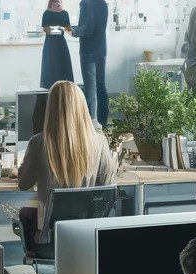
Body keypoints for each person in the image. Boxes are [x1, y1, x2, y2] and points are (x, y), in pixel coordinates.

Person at [15, 79, 120, 244]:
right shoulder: (100, 142)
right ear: (82, 108)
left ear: (51, 109)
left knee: (25, 213)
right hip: (88, 236)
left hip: (49, 237)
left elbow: (23, 184)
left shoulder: (39, 143)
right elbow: (108, 184)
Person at [71, 0, 110, 125]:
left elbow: (87, 29)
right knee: (101, 87)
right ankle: (103, 124)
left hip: (88, 52)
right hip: (101, 49)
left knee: (90, 89)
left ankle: (90, 125)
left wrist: (70, 30)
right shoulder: (101, 1)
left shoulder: (86, 2)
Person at [39, 0, 75, 89]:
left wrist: (76, 31)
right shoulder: (46, 13)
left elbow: (69, 29)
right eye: (56, 2)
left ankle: (65, 88)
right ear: (51, 3)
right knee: (51, 66)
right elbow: (46, 29)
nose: (58, 4)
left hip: (61, 44)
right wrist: (60, 29)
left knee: (63, 66)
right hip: (50, 44)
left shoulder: (64, 13)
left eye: (59, 1)